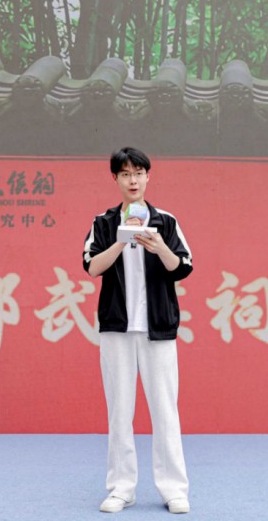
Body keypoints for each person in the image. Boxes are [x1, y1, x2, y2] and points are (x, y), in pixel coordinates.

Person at [83, 147, 192, 514]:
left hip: (157, 329)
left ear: (148, 177)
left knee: (165, 410)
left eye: (139, 173)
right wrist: (121, 239)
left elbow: (182, 267)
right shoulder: (103, 222)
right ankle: (121, 488)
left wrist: (159, 246)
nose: (133, 180)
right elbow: (92, 266)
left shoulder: (166, 221)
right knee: (119, 411)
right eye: (126, 174)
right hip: (117, 329)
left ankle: (174, 490)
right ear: (115, 179)